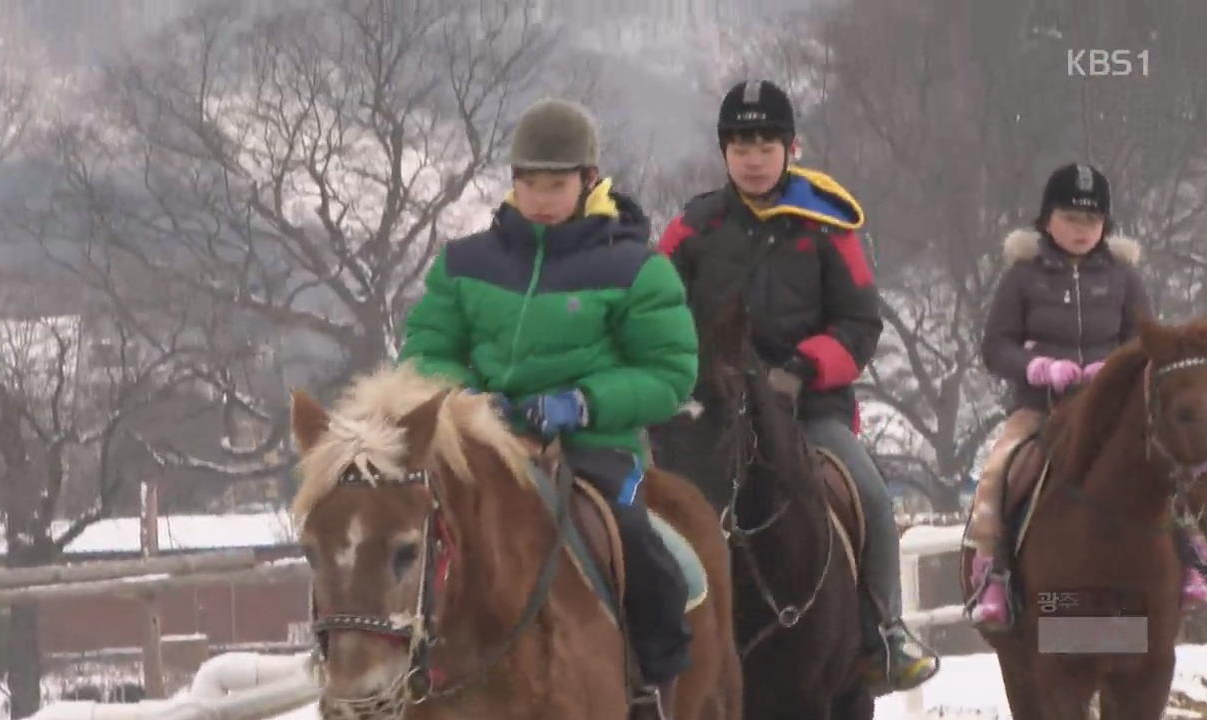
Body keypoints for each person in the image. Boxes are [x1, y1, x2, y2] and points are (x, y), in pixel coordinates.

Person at [398, 98, 698, 718]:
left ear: (590, 181)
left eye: (555, 184)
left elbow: (670, 374)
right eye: (527, 182)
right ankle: (395, 677)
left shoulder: (639, 270)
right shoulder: (462, 264)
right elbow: (426, 353)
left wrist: (584, 403)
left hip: (596, 449)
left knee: (639, 543)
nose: (539, 197)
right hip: (480, 444)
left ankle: (649, 685)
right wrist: (471, 403)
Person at [656, 79, 938, 696]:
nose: (752, 157)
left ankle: (883, 632)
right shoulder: (690, 230)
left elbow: (861, 322)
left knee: (871, 495)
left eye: (764, 143)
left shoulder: (829, 228)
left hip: (808, 409)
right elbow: (658, 315)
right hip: (712, 409)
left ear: (791, 148)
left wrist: (802, 370)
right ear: (723, 152)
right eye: (739, 144)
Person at [966, 161, 1207, 631]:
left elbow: (1149, 341)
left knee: (1169, 459)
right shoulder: (1022, 276)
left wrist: (1116, 366)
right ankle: (993, 573)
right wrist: (1037, 367)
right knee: (999, 469)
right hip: (1040, 408)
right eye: (1071, 219)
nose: (1082, 231)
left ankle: (1190, 560)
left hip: (1116, 410)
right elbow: (995, 346)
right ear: (1047, 219)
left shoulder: (1123, 278)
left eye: (1092, 221)